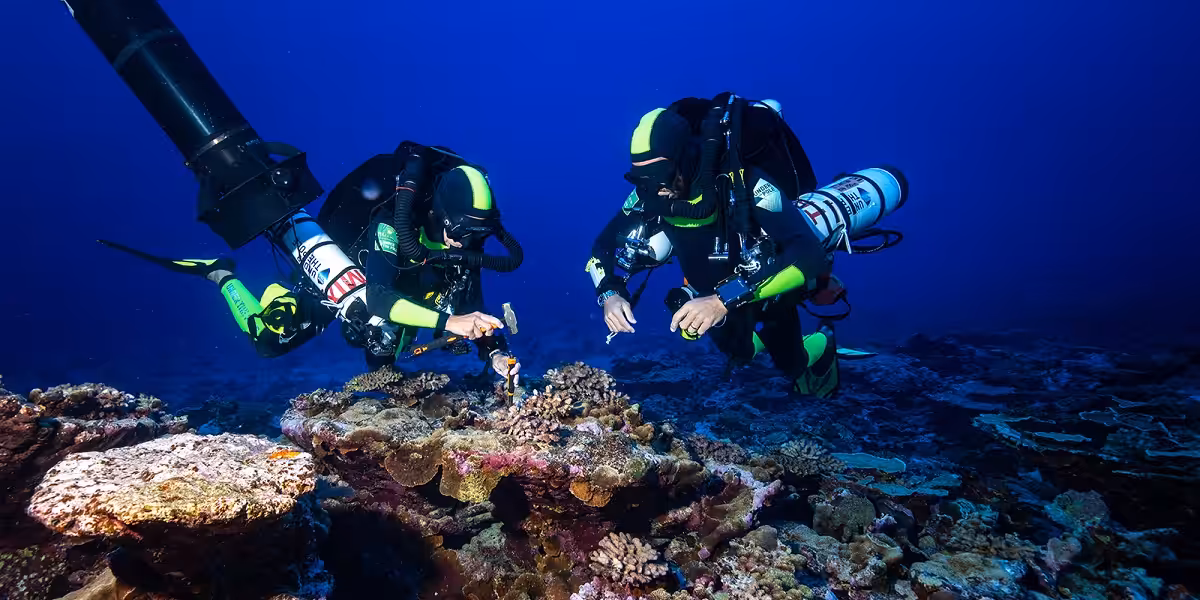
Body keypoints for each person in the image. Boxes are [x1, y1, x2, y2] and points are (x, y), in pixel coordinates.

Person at [100, 141, 525, 383]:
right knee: (269, 342)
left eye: (479, 236)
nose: (468, 244)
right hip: (355, 284)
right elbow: (375, 297)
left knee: (384, 364)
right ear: (437, 214)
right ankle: (223, 275)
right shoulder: (392, 227)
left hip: (397, 300)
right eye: (463, 232)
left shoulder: (462, 245)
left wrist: (496, 355)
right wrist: (449, 323)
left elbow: (471, 307)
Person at [585, 92, 888, 399]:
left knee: (791, 363)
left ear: (686, 158)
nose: (654, 189)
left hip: (766, 283)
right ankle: (747, 342)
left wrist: (720, 301)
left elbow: (810, 258)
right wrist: (609, 294)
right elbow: (602, 246)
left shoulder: (746, 184)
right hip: (711, 291)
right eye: (641, 179)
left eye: (659, 176)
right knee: (739, 354)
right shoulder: (648, 193)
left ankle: (821, 343)